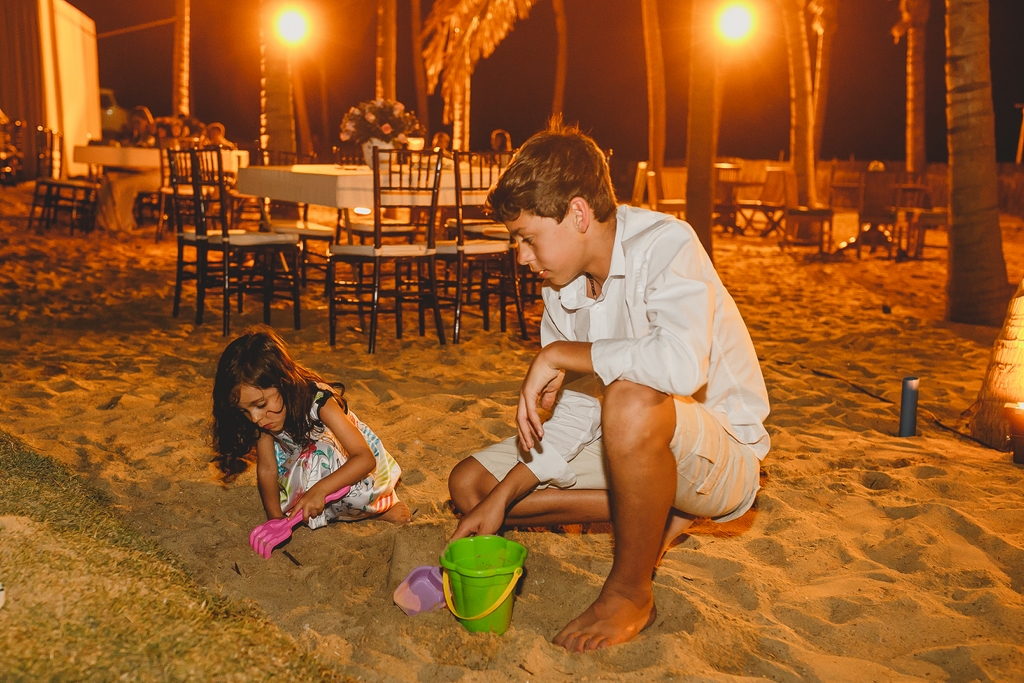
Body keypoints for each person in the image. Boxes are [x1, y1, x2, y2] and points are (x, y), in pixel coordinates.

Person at [447, 123, 770, 652]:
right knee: (471, 489)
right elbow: (576, 415)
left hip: (724, 458)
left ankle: (629, 591)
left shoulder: (667, 244)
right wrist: (502, 498)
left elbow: (682, 364)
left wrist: (562, 354)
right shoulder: (564, 287)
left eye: (528, 238)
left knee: (630, 394)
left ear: (577, 214)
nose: (522, 258)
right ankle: (655, 509)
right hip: (632, 438)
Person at [212, 327, 411, 528]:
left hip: (354, 472)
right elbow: (267, 469)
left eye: (260, 405)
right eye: (244, 411)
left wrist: (320, 490)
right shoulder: (264, 419)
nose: (255, 418)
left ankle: (379, 510)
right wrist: (275, 520)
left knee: (321, 457)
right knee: (294, 494)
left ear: (284, 382)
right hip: (310, 471)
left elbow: (365, 459)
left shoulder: (320, 403)